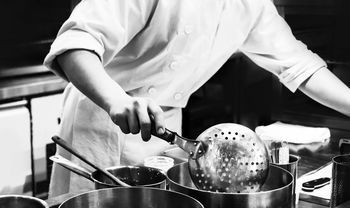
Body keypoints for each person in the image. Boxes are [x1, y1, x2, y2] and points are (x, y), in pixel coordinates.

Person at [44, 0, 350, 197]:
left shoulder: (251, 5)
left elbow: (300, 65)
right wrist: (115, 100)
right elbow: (75, 44)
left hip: (163, 128)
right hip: (103, 119)